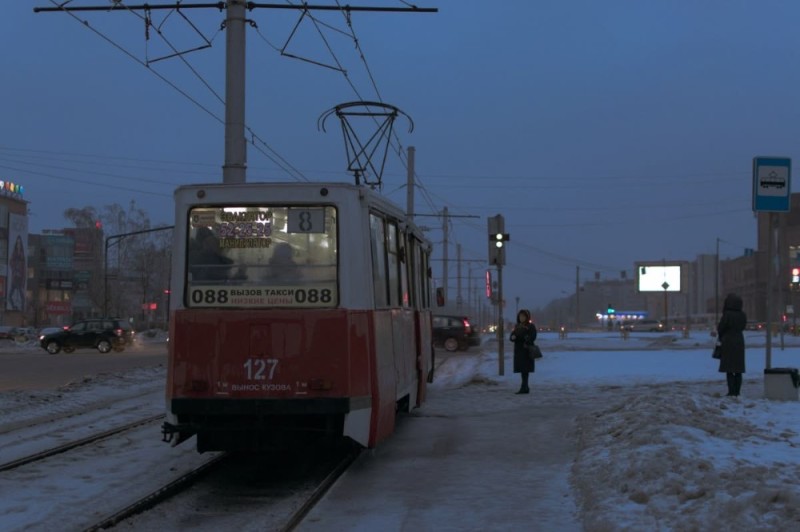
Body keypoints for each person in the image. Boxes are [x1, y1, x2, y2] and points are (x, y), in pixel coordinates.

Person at [717, 292, 747, 397]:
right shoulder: (742, 315)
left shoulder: (727, 314)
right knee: (738, 370)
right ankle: (737, 392)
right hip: (739, 341)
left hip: (728, 342)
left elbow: (721, 328)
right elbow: (743, 327)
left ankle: (731, 391)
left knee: (729, 369)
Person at [509, 308, 537, 394]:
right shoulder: (517, 326)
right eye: (520, 316)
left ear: (527, 317)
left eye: (523, 316)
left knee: (525, 370)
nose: (521, 318)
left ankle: (524, 387)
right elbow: (512, 336)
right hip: (519, 351)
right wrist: (513, 337)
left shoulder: (530, 326)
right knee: (522, 370)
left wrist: (525, 338)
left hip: (526, 351)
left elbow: (533, 337)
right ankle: (525, 387)